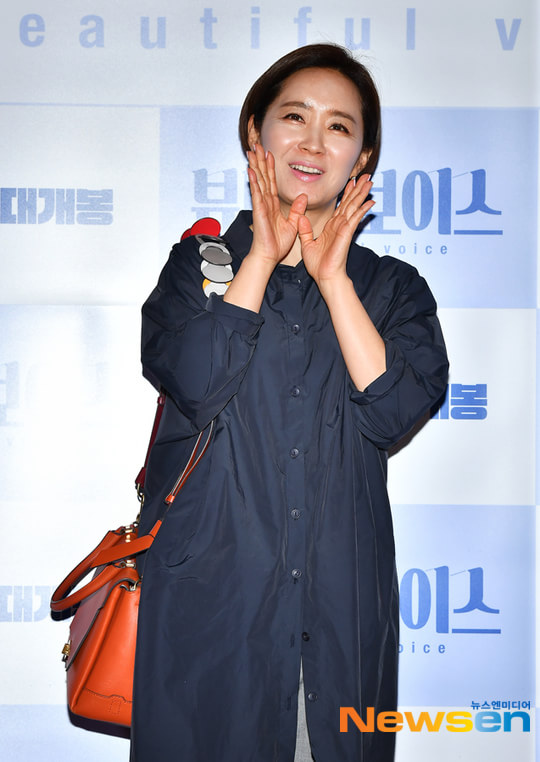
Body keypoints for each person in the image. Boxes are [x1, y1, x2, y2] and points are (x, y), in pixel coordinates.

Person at [130, 43, 448, 762]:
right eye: (294, 117)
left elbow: (394, 413)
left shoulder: (393, 291)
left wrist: (335, 283)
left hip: (336, 622)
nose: (313, 142)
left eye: (339, 126)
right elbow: (194, 383)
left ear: (362, 158)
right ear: (256, 133)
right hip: (211, 617)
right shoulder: (198, 269)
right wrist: (258, 262)